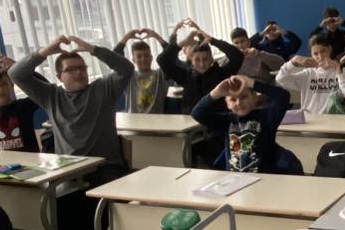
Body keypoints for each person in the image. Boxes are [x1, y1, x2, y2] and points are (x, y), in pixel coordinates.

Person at [10, 35, 133, 230]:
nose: (78, 73)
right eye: (71, 70)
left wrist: (94, 49)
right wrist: (46, 51)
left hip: (105, 167)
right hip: (70, 171)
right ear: (59, 76)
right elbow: (16, 74)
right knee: (57, 206)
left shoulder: (103, 89)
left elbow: (126, 68)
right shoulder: (51, 96)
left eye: (81, 68)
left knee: (106, 204)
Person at [159, 20, 245, 164]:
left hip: (216, 128)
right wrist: (182, 43)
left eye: (205, 59)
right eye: (197, 60)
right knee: (183, 156)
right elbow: (162, 60)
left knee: (216, 158)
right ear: (191, 60)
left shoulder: (222, 74)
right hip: (190, 127)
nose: (201, 63)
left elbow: (237, 56)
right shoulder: (186, 76)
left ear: (211, 59)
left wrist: (212, 40)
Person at [192, 76, 293, 174]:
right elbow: (197, 113)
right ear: (227, 104)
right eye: (233, 99)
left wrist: (251, 83)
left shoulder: (267, 117)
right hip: (234, 179)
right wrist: (216, 93)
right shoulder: (227, 121)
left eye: (244, 97)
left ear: (255, 97)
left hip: (263, 178)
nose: (239, 103)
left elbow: (283, 96)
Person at [276, 32, 345, 113]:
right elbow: (280, 79)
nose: (320, 56)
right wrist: (293, 61)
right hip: (309, 118)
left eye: (323, 51)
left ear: (330, 49)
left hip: (332, 118)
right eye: (315, 54)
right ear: (311, 54)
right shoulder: (308, 73)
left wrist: (338, 69)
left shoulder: (342, 71)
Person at [114, 28, 169, 114]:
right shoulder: (129, 75)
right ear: (133, 60)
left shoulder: (160, 74)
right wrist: (126, 37)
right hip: (133, 119)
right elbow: (116, 58)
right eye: (139, 57)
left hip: (156, 120)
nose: (143, 59)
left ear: (151, 58)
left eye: (146, 55)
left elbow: (171, 56)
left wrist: (156, 36)